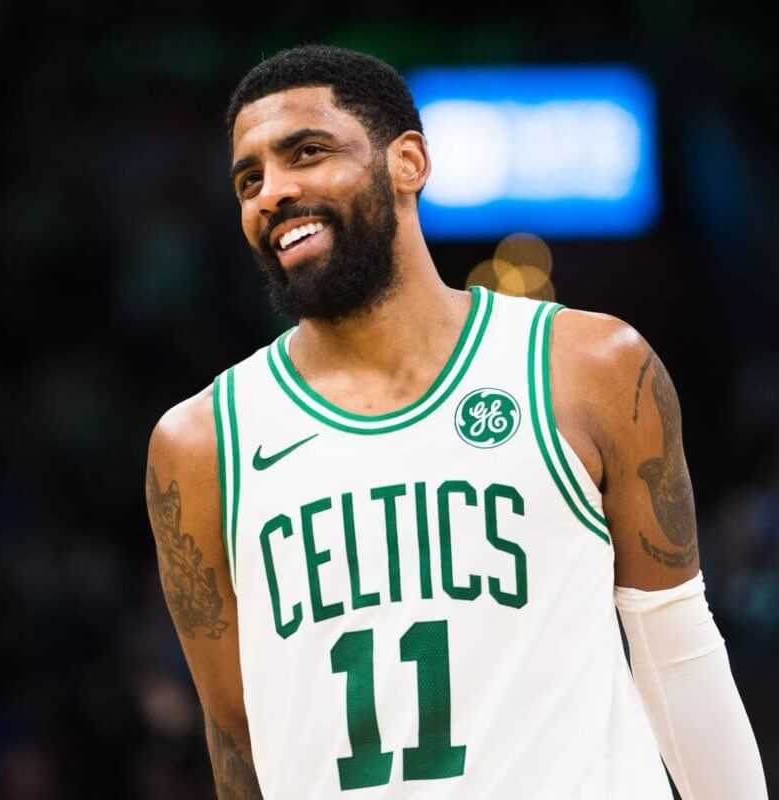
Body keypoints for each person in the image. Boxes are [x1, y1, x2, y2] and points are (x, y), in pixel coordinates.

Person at [144, 45, 767, 799]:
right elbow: (238, 735)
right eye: (250, 179)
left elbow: (677, 652)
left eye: (306, 152)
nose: (272, 192)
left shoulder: (590, 367)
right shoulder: (201, 444)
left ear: (408, 162)